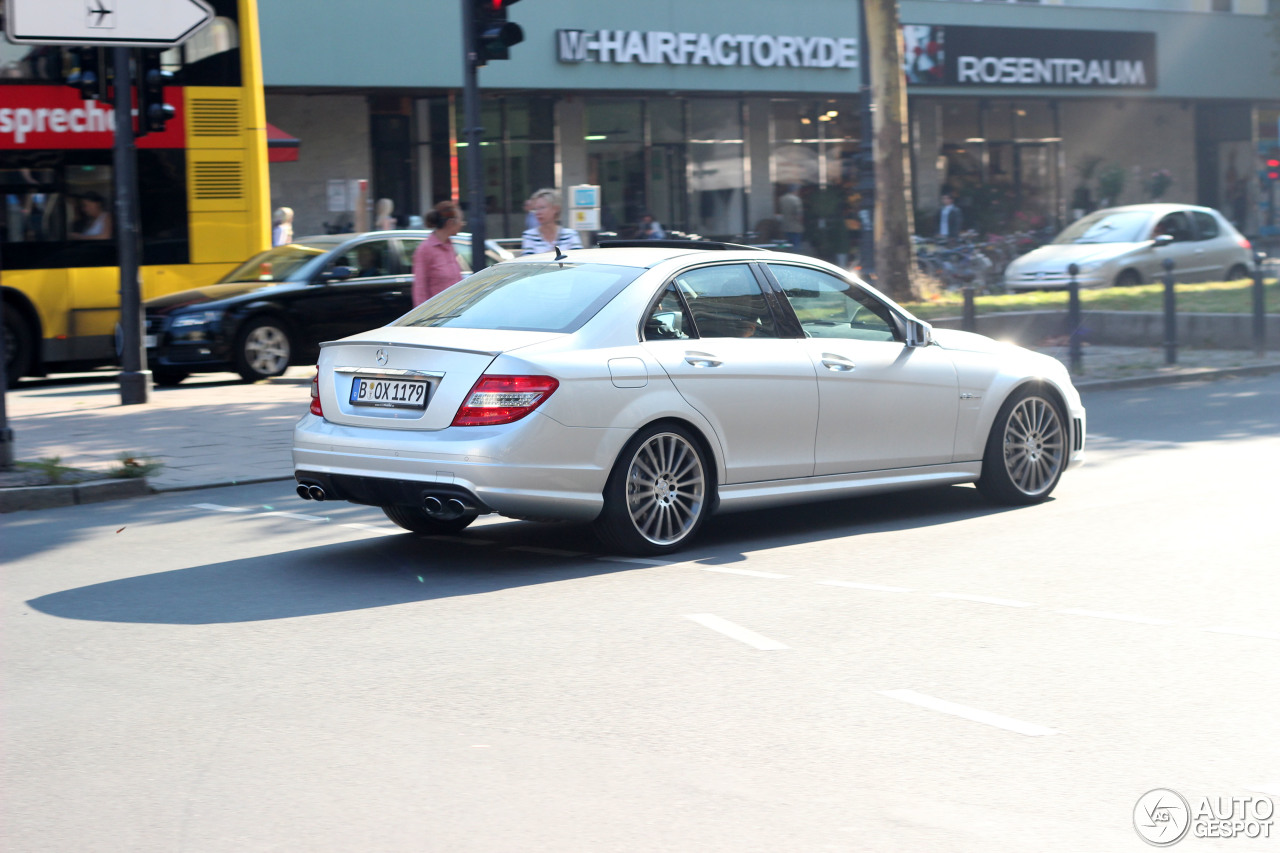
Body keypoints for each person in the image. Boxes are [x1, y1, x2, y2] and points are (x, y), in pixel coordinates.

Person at [411, 200, 466, 305]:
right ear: (450, 222)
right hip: (437, 317)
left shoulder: (450, 247)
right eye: (460, 220)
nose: (462, 224)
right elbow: (420, 290)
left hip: (455, 314)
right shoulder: (425, 250)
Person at [521, 188, 583, 255]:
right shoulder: (529, 235)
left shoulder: (570, 234)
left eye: (542, 208)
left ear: (555, 209)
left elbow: (578, 259)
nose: (538, 212)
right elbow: (528, 262)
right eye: (535, 209)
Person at [778, 184, 804, 250]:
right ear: (796, 190)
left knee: (786, 245)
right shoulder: (796, 199)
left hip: (785, 226)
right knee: (796, 245)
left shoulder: (782, 198)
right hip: (795, 227)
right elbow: (798, 214)